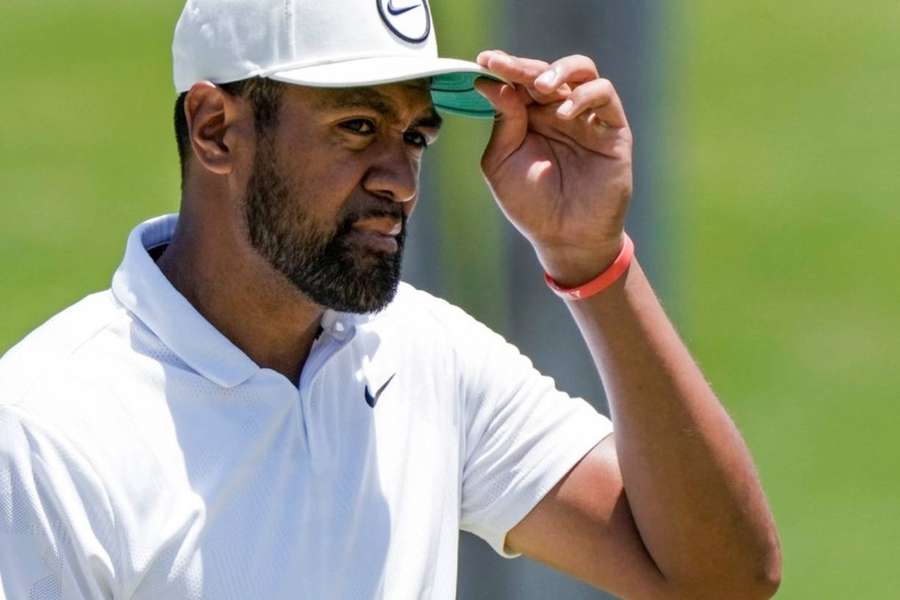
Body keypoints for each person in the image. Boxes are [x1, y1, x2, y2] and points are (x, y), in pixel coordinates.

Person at [0, 0, 781, 598]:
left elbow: (721, 578)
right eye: (357, 124)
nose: (400, 183)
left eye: (414, 136)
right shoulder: (46, 431)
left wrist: (592, 260)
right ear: (215, 129)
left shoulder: (427, 353)